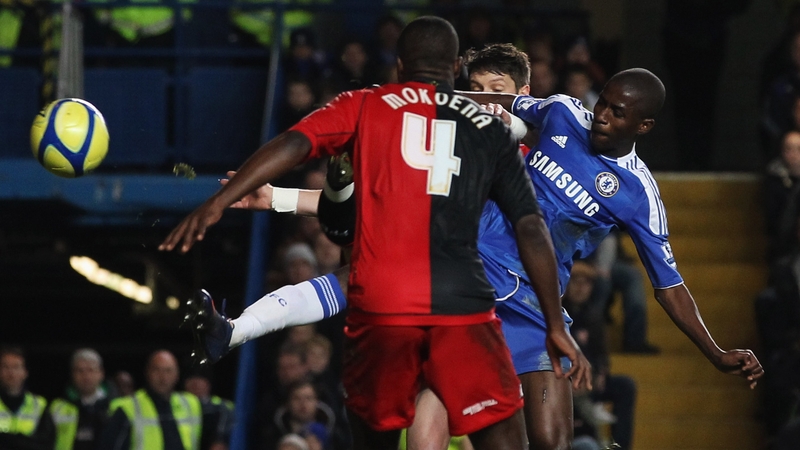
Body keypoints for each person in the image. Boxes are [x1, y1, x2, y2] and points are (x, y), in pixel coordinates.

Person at [161, 15, 590, 450]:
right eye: (476, 87)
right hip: (463, 301)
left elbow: (295, 142)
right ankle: (235, 330)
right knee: (441, 436)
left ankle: (235, 331)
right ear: (455, 69)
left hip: (459, 301)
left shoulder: (373, 106)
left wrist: (228, 199)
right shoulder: (483, 135)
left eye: (495, 92)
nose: (484, 100)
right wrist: (278, 199)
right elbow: (527, 225)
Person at [563, 261, 636, 450]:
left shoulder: (594, 317)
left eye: (586, 283)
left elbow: (601, 355)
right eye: (576, 282)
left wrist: (602, 373)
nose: (580, 288)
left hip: (591, 381)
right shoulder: (557, 315)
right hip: (565, 381)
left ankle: (619, 445)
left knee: (626, 386)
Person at [98, 350, 202, 450]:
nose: (163, 377)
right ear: (147, 372)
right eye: (157, 370)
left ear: (177, 374)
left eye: (168, 371)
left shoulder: (190, 404)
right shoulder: (128, 407)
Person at [49, 348, 112, 450]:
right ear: (72, 375)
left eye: (91, 370)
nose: (86, 376)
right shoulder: (57, 407)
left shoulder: (114, 406)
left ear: (101, 374)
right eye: (80, 371)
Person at [0, 346, 55, 450]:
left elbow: (45, 444)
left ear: (25, 373)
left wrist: (6, 439)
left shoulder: (39, 404)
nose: (11, 373)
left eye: (16, 367)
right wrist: (24, 441)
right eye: (5, 367)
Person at [183, 368, 235, 450]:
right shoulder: (178, 407)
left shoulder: (221, 408)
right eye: (191, 379)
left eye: (200, 379)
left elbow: (220, 441)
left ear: (208, 384)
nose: (195, 383)